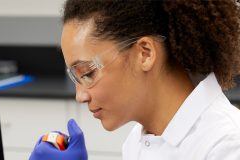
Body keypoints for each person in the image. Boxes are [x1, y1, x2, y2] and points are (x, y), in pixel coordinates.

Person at [29, 0, 240, 159]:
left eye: (87, 73)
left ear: (145, 54)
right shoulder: (137, 142)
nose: (80, 96)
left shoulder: (227, 145)